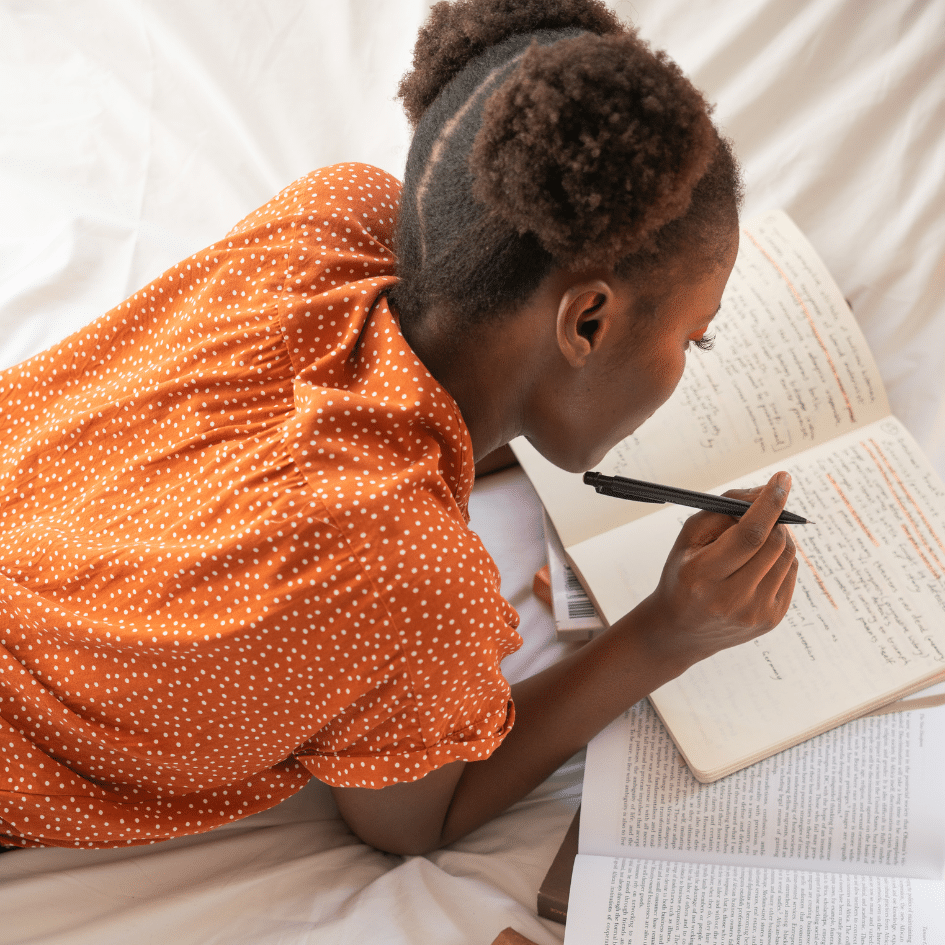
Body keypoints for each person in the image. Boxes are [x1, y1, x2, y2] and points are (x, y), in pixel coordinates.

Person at [0, 0, 797, 854]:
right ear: (588, 322)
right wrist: (663, 635)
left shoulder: (334, 214)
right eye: (694, 336)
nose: (688, 361)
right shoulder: (414, 583)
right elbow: (416, 821)